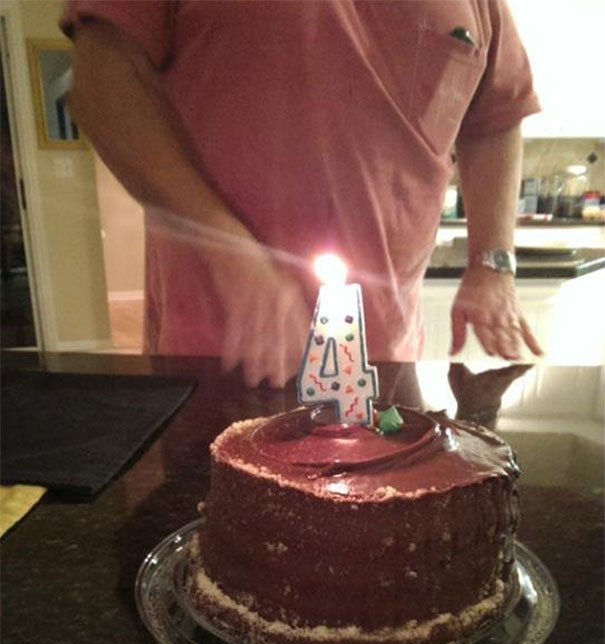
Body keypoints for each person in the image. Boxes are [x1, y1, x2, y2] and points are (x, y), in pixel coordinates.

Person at [61, 0, 543, 387]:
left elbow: (495, 118)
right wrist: (229, 251)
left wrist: (492, 263)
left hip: (385, 361)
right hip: (218, 357)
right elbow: (103, 81)